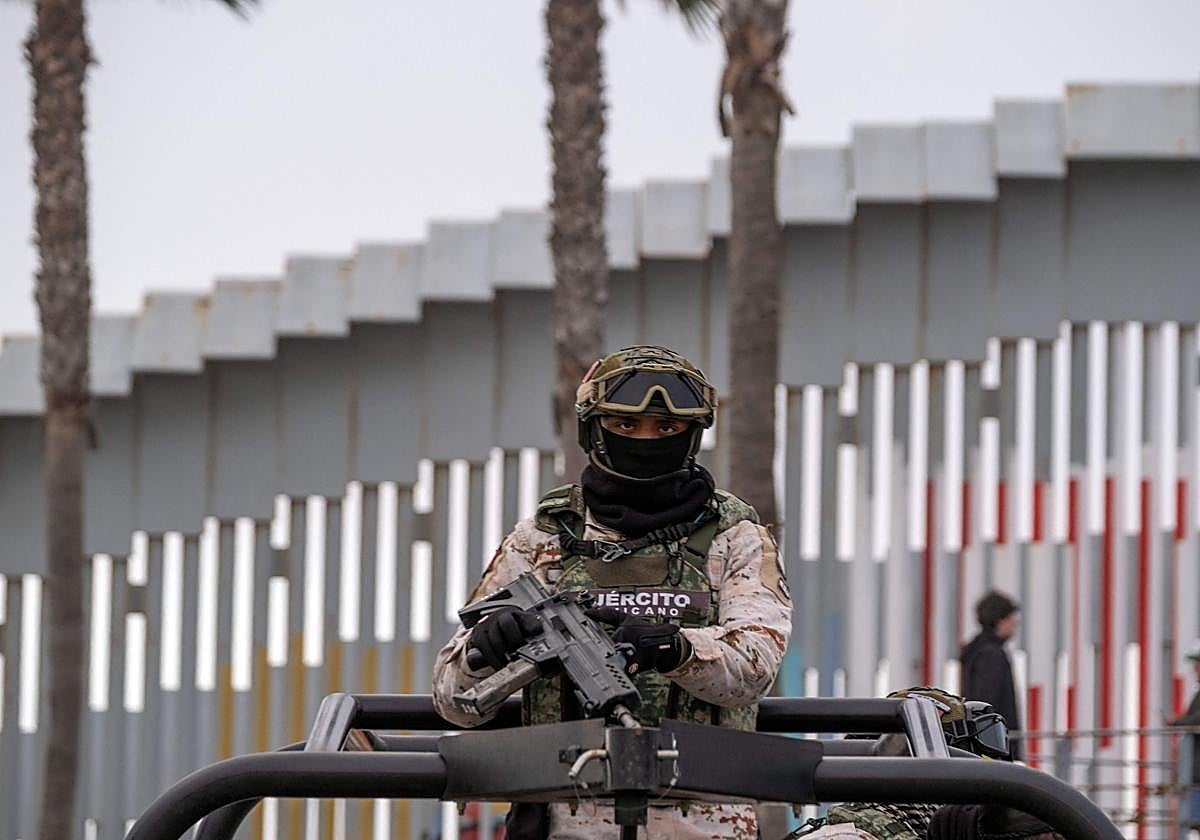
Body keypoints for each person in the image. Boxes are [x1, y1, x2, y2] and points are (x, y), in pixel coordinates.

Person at [432, 345, 793, 840]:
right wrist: (485, 652)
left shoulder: (734, 536)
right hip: (562, 817)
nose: (646, 441)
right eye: (626, 426)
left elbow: (754, 668)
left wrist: (680, 649)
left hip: (701, 820)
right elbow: (453, 699)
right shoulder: (543, 537)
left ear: (691, 435)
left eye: (666, 429)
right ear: (595, 430)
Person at [960, 590, 1023, 761]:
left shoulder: (975, 650)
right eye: (1012, 618)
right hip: (994, 746)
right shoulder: (991, 655)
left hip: (983, 743)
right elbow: (987, 702)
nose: (1015, 623)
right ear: (1001, 621)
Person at [1168, 641, 1200, 830]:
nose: (1195, 668)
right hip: (1195, 770)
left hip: (1198, 770)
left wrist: (1177, 722)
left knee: (1195, 819)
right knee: (1193, 820)